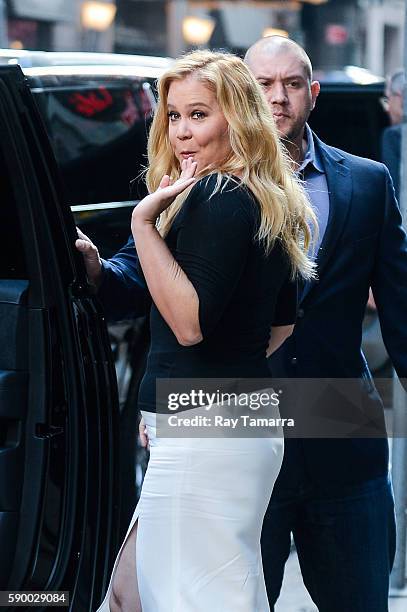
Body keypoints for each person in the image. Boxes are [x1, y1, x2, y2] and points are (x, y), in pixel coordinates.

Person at [80, 50, 316, 611]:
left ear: (237, 118)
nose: (182, 132)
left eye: (199, 114)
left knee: (194, 600)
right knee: (130, 593)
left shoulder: (218, 198)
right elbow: (277, 327)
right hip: (224, 422)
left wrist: (142, 221)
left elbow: (188, 326)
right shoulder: (259, 196)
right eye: (174, 115)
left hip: (207, 431)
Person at [244, 36, 407, 612]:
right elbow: (151, 286)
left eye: (291, 84)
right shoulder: (207, 182)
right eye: (262, 84)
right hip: (238, 428)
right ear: (243, 93)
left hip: (342, 426)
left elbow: (401, 303)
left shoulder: (366, 182)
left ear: (312, 94)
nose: (278, 98)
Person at [381, 69, 404, 200]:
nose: (387, 108)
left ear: (400, 97)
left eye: (387, 99)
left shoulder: (395, 135)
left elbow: (394, 192)